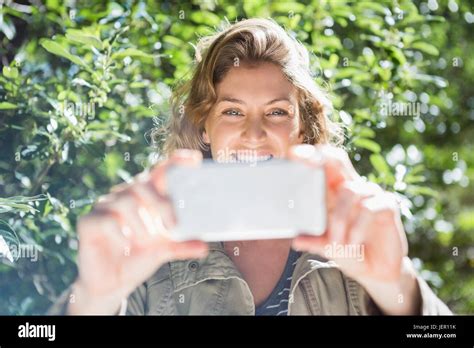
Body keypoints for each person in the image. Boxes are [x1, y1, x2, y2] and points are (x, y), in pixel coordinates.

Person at [49, 18, 451, 315]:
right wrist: (91, 298)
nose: (254, 134)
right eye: (232, 112)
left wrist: (399, 286)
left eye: (277, 112)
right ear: (204, 126)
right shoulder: (153, 244)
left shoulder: (351, 238)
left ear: (302, 128)